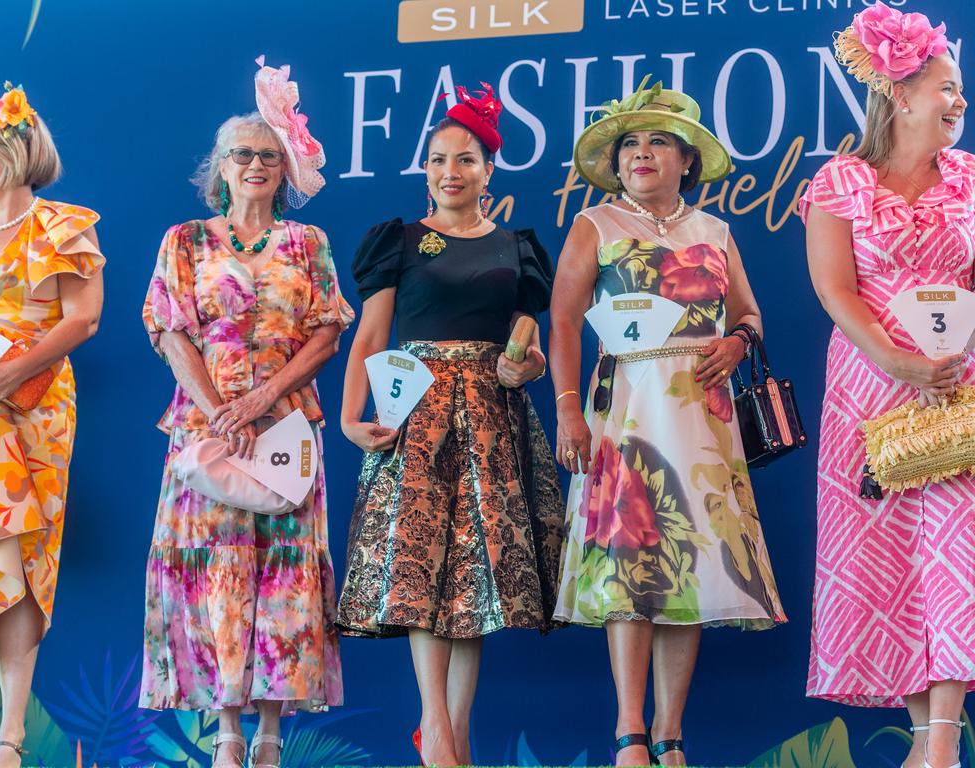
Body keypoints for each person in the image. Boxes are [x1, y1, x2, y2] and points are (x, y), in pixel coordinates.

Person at [550, 77, 786, 767]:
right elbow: (563, 318)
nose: (641, 153)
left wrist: (738, 342)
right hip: (624, 404)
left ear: (688, 159)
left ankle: (671, 735)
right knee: (630, 561)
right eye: (629, 144)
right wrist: (569, 407)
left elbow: (749, 314)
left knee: (694, 572)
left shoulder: (716, 231)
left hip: (702, 414)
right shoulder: (595, 224)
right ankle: (629, 734)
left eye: (658, 142)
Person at [336, 84, 563, 766]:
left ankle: (455, 735)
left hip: (492, 421)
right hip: (419, 415)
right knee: (417, 571)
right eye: (437, 160)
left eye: (464, 159)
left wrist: (527, 367)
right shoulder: (398, 242)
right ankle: (433, 726)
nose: (449, 172)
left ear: (489, 170)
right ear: (426, 169)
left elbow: (530, 347)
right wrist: (352, 416)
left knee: (473, 578)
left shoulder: (519, 249)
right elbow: (372, 335)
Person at [139, 59, 352, 768]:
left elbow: (327, 330)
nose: (256, 164)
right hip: (205, 432)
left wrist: (261, 400)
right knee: (218, 569)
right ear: (220, 169)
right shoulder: (186, 241)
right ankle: (226, 729)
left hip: (287, 425)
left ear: (285, 170)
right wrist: (219, 409)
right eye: (242, 154)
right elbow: (169, 329)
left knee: (283, 575)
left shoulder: (308, 243)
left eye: (269, 154)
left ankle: (268, 732)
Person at [801, 5, 973, 768]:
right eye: (948, 86)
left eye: (961, 89)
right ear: (902, 95)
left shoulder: (972, 180)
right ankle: (923, 737)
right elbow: (836, 291)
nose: (960, 102)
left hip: (960, 384)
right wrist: (897, 361)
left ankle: (940, 742)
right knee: (892, 555)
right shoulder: (840, 181)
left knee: (955, 552)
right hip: (871, 391)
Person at [0, 84, 105, 767]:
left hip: (31, 411)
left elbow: (84, 317)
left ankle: (10, 738)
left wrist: (16, 371)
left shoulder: (64, 225)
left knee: (19, 555)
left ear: (7, 156)